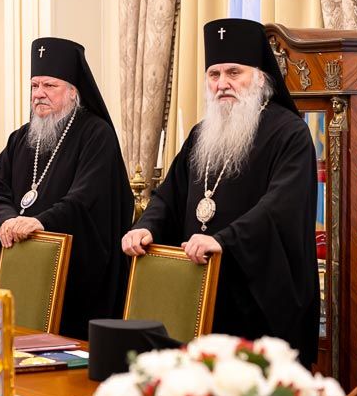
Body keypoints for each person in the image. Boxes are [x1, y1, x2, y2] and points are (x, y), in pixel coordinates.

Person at [121, 18, 320, 367]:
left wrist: (225, 241)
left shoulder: (290, 134)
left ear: (260, 78)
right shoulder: (202, 134)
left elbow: (279, 207)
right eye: (214, 74)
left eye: (233, 73)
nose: (222, 84)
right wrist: (147, 226)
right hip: (200, 290)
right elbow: (169, 195)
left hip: (258, 299)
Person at [0, 37, 134, 340]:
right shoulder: (21, 138)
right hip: (20, 264)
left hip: (76, 272)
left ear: (73, 91)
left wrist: (41, 222)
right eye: (34, 86)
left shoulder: (96, 134)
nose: (38, 94)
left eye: (49, 86)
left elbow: (86, 197)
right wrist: (5, 219)